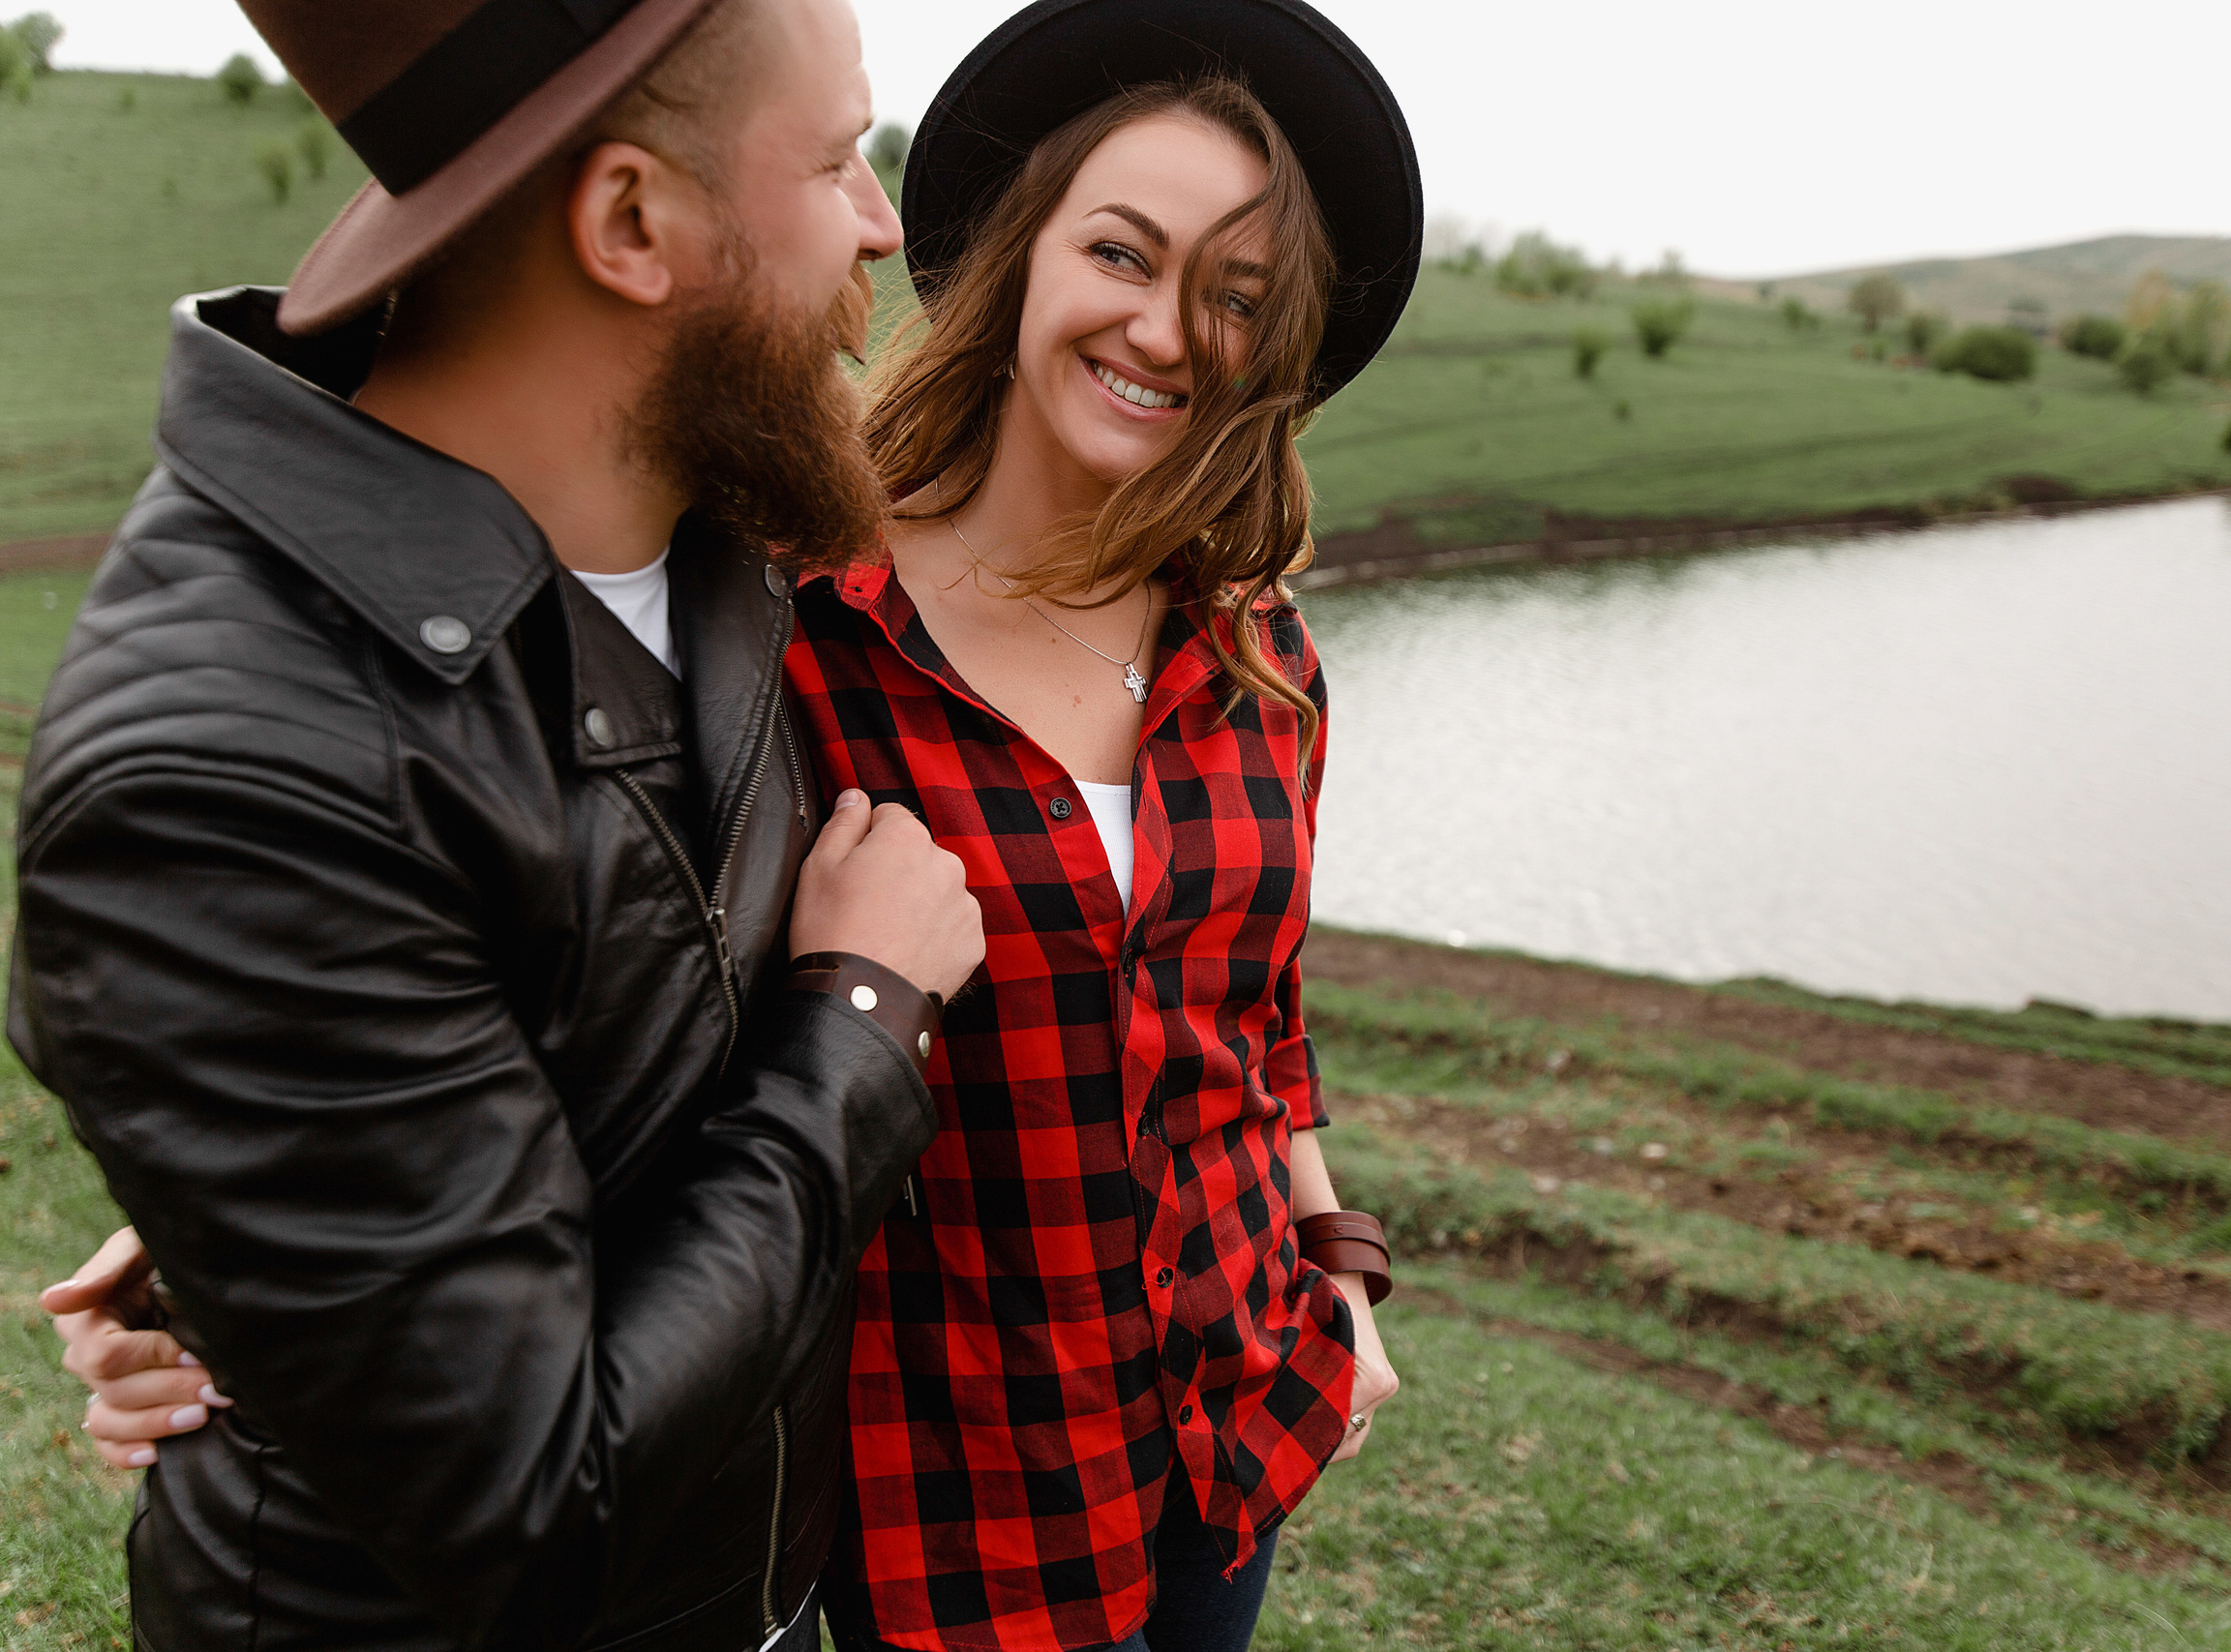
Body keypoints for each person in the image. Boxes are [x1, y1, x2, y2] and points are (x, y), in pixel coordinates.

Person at [14, 0, 983, 1648]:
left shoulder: (706, 504)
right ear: (631, 224)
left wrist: (293, 1247)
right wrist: (861, 1026)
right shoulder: (222, 780)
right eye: (836, 159)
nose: (883, 226)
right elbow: (535, 1514)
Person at [789, 5, 1424, 1648]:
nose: (1165, 330)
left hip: (1238, 1428)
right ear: (1023, 256)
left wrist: (1338, 1269)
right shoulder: (801, 632)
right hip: (958, 1500)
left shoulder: (1260, 653)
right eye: (1122, 254)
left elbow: (1256, 1015)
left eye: (1237, 298)